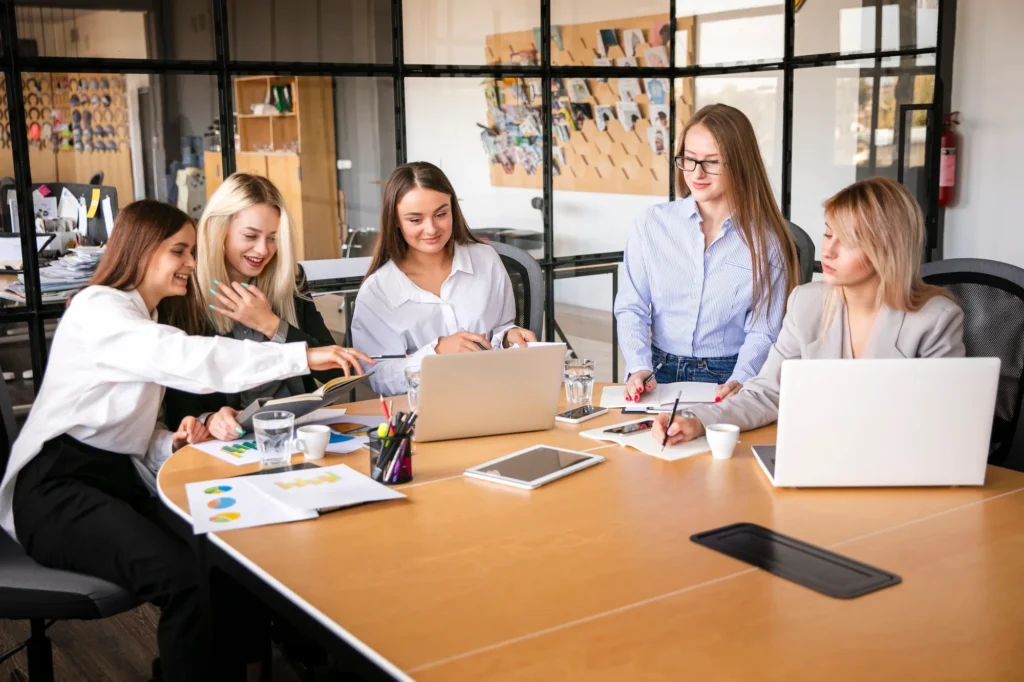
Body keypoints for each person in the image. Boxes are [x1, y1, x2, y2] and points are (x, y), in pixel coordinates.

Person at [0, 200, 372, 681]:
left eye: (192, 251)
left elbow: (122, 430)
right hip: (57, 492)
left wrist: (169, 443)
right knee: (184, 580)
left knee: (224, 558)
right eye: (180, 251)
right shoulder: (99, 310)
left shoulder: (142, 317)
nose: (192, 264)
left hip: (113, 479)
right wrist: (303, 354)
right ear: (140, 251)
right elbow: (194, 359)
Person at [654, 176, 965, 446]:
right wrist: (695, 419)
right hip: (818, 453)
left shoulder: (934, 320)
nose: (828, 250)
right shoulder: (807, 302)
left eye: (849, 241)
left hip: (893, 466)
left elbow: (945, 426)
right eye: (829, 234)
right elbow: (766, 394)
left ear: (887, 249)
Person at [615, 103, 800, 403]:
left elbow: (764, 330)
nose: (697, 173)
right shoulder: (651, 223)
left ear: (739, 164)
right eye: (689, 159)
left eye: (712, 161)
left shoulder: (768, 241)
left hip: (727, 374)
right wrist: (638, 367)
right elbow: (631, 307)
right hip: (656, 371)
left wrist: (740, 380)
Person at [164, 173, 352, 441]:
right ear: (220, 231)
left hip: (296, 430)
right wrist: (210, 418)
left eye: (273, 238)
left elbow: (336, 368)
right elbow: (177, 396)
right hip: (231, 441)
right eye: (250, 236)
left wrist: (272, 325)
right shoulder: (185, 290)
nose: (263, 250)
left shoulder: (289, 278)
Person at [351, 161, 537, 397]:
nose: (431, 229)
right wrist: (436, 352)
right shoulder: (378, 291)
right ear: (396, 220)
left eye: (441, 214)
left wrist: (510, 337)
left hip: (495, 394)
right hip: (425, 408)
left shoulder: (485, 259)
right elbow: (377, 377)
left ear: (453, 210)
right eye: (415, 220)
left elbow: (500, 327)